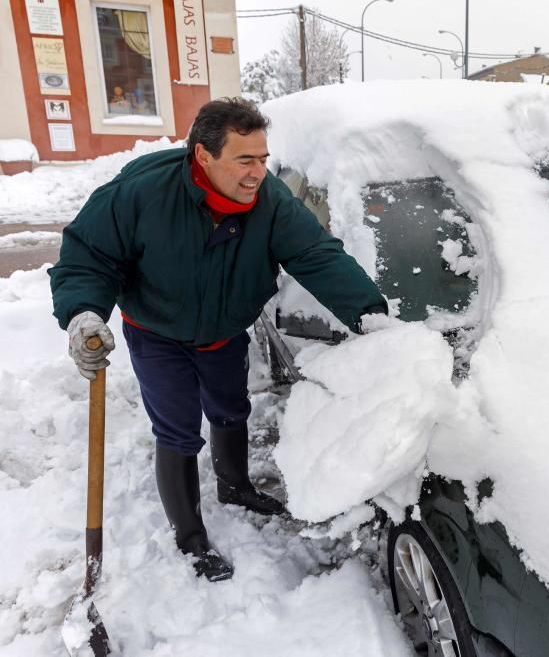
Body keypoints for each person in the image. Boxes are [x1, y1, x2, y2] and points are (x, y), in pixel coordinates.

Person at [50, 98, 387, 582]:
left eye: (263, 158)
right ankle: (190, 538)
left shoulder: (269, 201)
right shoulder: (142, 191)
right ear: (204, 156)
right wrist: (83, 313)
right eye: (244, 160)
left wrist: (369, 314)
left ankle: (235, 485)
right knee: (178, 430)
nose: (257, 173)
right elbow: (90, 256)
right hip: (158, 333)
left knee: (231, 410)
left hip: (224, 332)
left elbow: (315, 254)